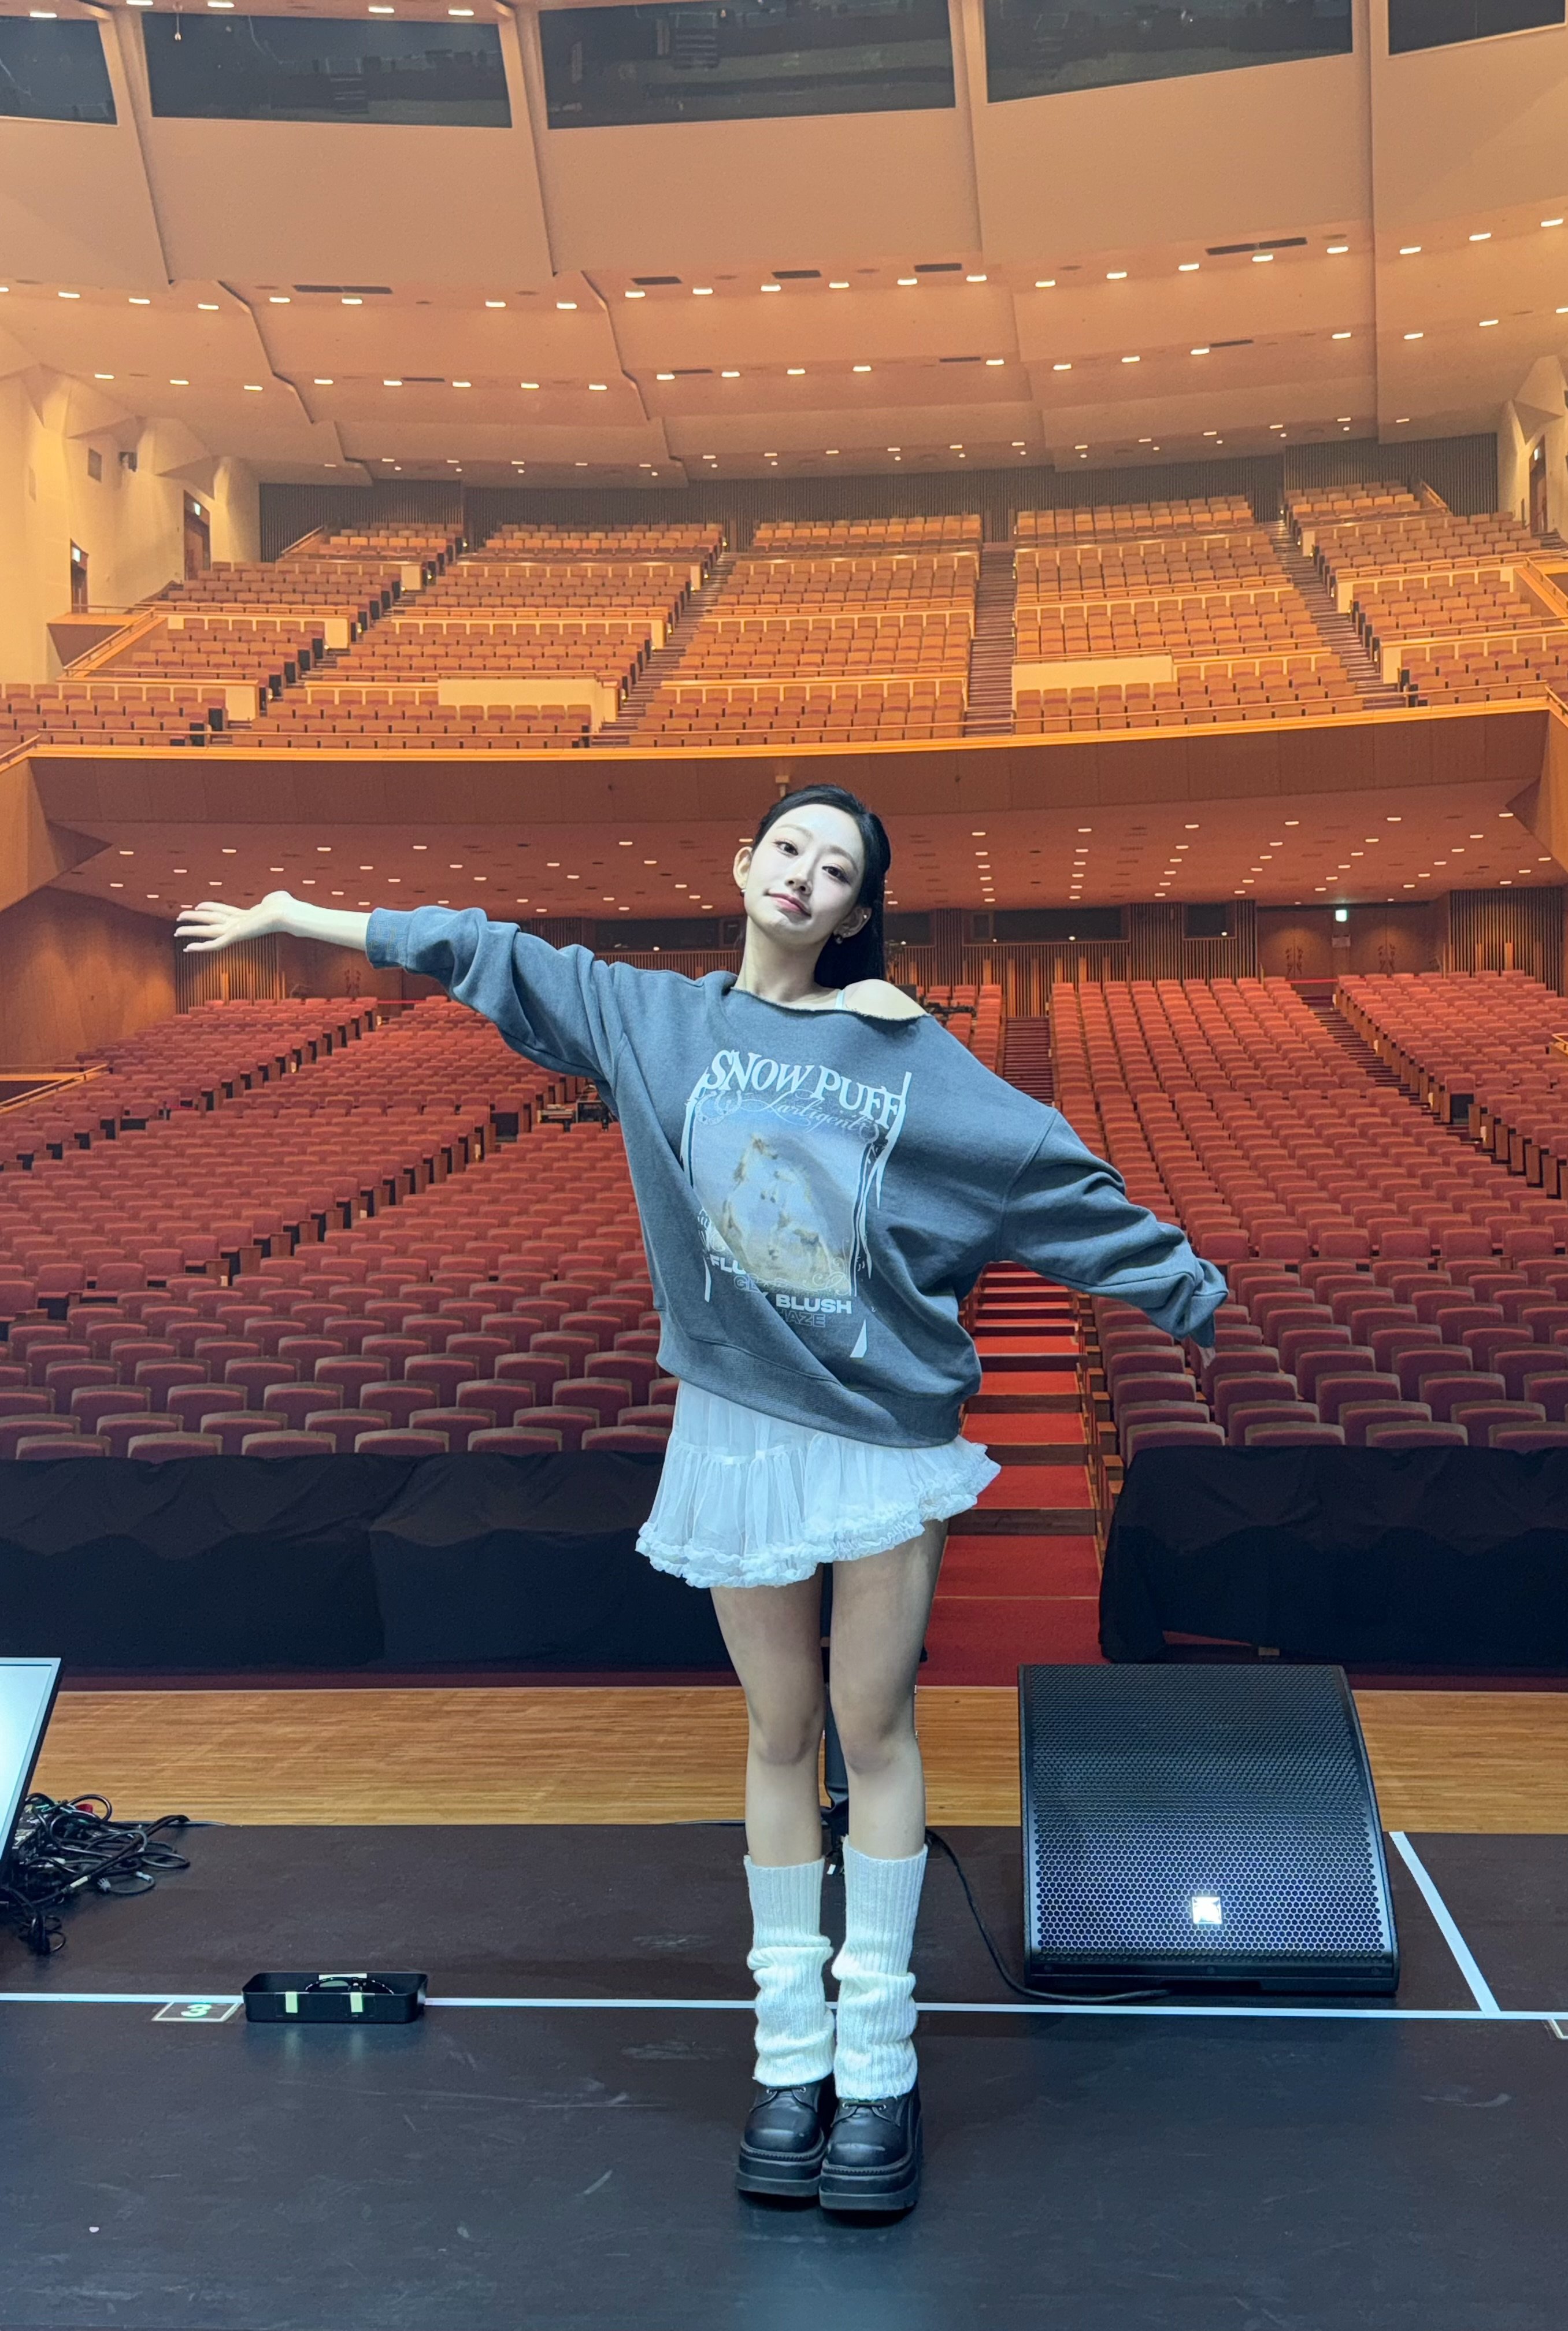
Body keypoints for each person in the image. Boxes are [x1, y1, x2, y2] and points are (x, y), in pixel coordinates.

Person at [176, 782, 1225, 2218]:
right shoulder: (654, 1022)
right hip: (736, 1427)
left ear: (857, 912)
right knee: (780, 1733)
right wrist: (297, 912)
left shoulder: (907, 1048)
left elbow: (1044, 1170)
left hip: (881, 1433)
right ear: (743, 865)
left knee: (874, 1730)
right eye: (787, 848)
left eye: (834, 868)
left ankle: (879, 2063)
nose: (802, 875)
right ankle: (791, 2056)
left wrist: (1191, 1291)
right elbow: (484, 950)